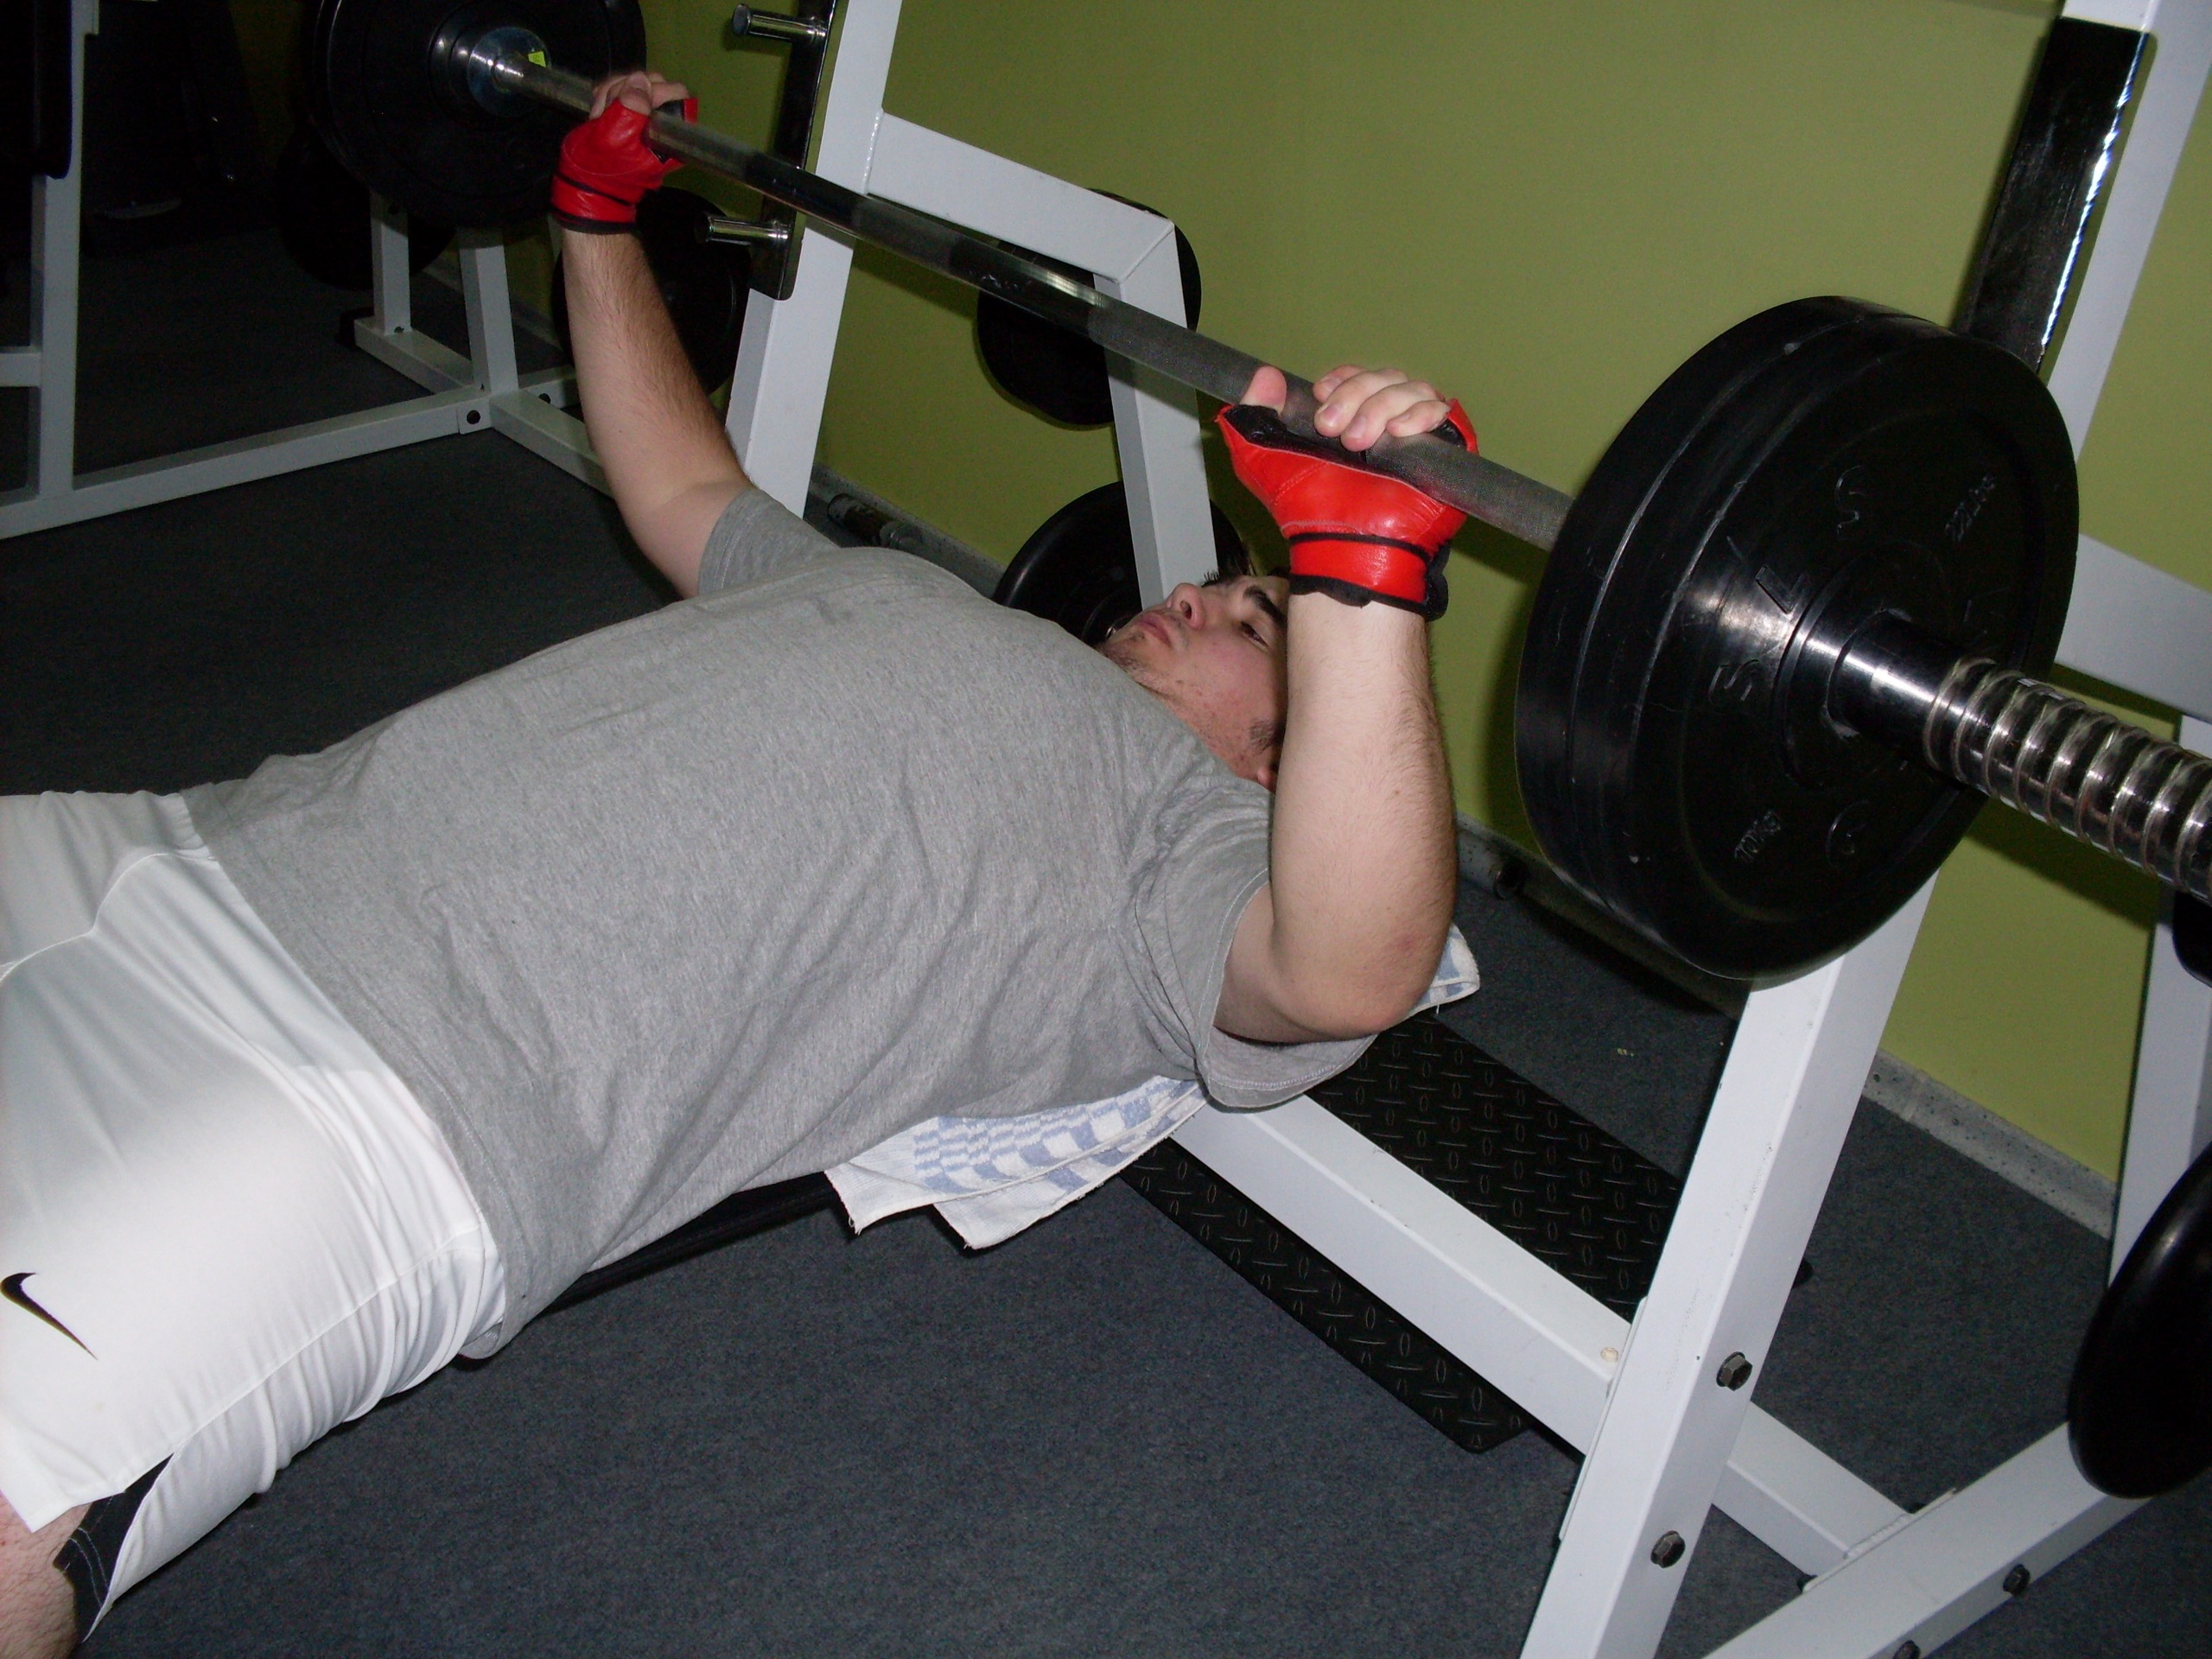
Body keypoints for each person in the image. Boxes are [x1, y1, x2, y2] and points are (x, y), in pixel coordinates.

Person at [0, 72, 1476, 1656]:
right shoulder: (926, 603)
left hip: (375, 1103)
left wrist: (1359, 575)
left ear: (1287, 764)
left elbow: (1348, 969)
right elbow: (683, 489)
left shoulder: (1182, 845)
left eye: (1254, 619)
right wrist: (594, 219)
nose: (1194, 591)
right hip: (193, 844)